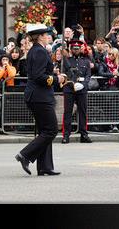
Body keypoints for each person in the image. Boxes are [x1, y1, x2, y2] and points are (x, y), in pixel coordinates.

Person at [15, 23, 65, 176]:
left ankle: (45, 166)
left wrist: (52, 73)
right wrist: (56, 79)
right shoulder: (40, 52)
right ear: (41, 37)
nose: (48, 37)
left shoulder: (36, 51)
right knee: (51, 130)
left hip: (38, 95)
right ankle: (25, 155)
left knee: (45, 131)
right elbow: (38, 76)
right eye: (46, 34)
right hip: (40, 96)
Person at [60, 39, 93, 144]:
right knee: (68, 112)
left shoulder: (86, 61)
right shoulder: (66, 60)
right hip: (69, 88)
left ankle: (84, 134)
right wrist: (71, 83)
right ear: (71, 49)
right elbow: (63, 75)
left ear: (80, 49)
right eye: (74, 48)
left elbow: (88, 76)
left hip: (81, 89)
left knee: (83, 111)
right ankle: (66, 135)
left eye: (78, 48)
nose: (76, 50)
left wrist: (83, 85)